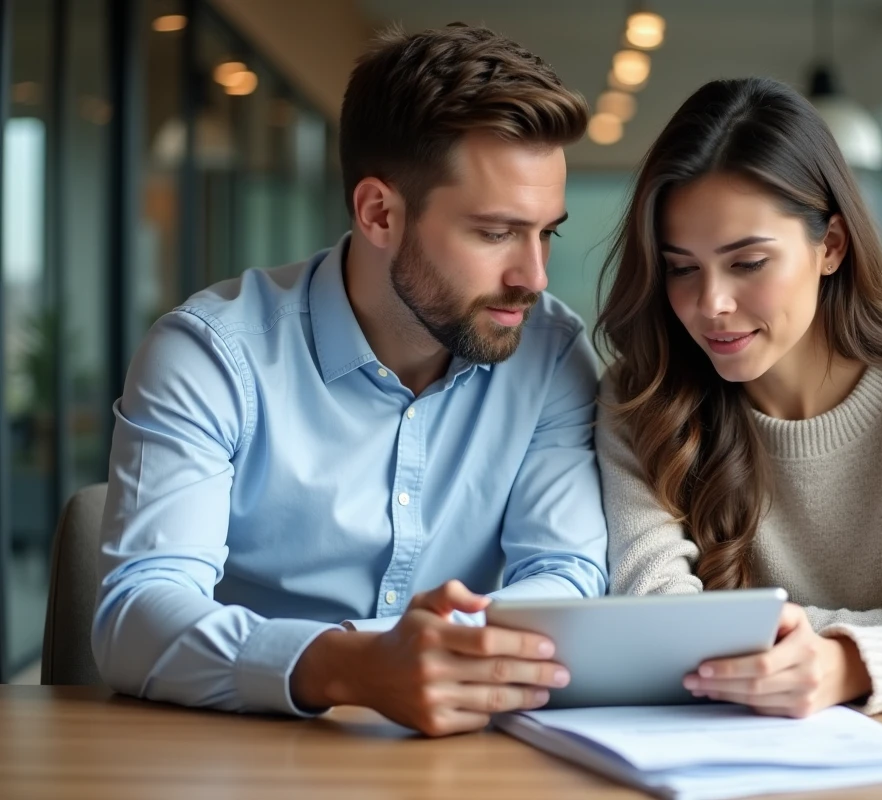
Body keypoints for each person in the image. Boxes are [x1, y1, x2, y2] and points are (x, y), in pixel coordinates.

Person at [93, 25, 608, 737]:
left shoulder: (549, 355)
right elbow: (136, 617)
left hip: (463, 760)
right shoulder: (209, 355)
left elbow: (567, 572)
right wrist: (353, 666)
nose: (535, 277)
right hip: (248, 753)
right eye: (496, 233)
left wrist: (443, 654)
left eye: (546, 232)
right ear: (379, 213)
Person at [595, 77, 882, 718]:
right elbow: (657, 619)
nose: (711, 304)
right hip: (732, 743)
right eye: (682, 268)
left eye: (748, 262)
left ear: (831, 247)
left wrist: (844, 662)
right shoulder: (641, 396)